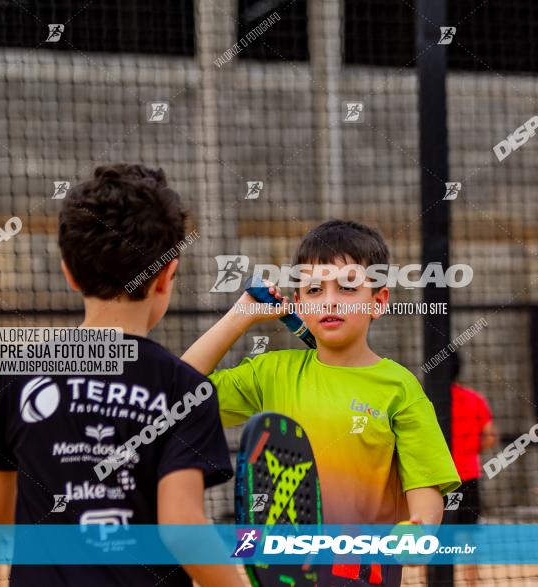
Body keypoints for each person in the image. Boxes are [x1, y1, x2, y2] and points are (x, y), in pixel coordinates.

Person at [0, 164, 243, 586]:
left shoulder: (19, 376)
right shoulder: (184, 389)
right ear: (167, 275)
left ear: (69, 272)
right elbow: (183, 528)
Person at [182, 219, 461, 587]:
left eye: (347, 287)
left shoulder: (399, 388)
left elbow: (425, 485)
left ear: (378, 302)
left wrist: (419, 530)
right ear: (298, 302)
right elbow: (180, 394)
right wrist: (239, 317)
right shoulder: (270, 373)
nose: (329, 300)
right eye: (314, 290)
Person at [446, 351, 496, 582]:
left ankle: (439, 580)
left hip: (440, 480)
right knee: (468, 535)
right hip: (468, 477)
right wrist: (467, 450)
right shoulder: (474, 398)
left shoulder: (427, 401)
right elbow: (490, 438)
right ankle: (471, 582)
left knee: (440, 534)